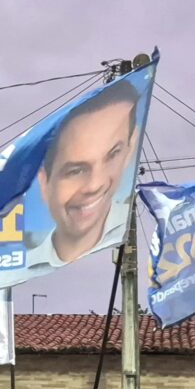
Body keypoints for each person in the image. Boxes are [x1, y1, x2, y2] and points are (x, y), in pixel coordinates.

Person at [32, 77, 141, 265]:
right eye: (75, 171)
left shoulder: (130, 227)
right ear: (44, 183)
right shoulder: (18, 264)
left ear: (129, 150)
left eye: (113, 155)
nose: (95, 185)